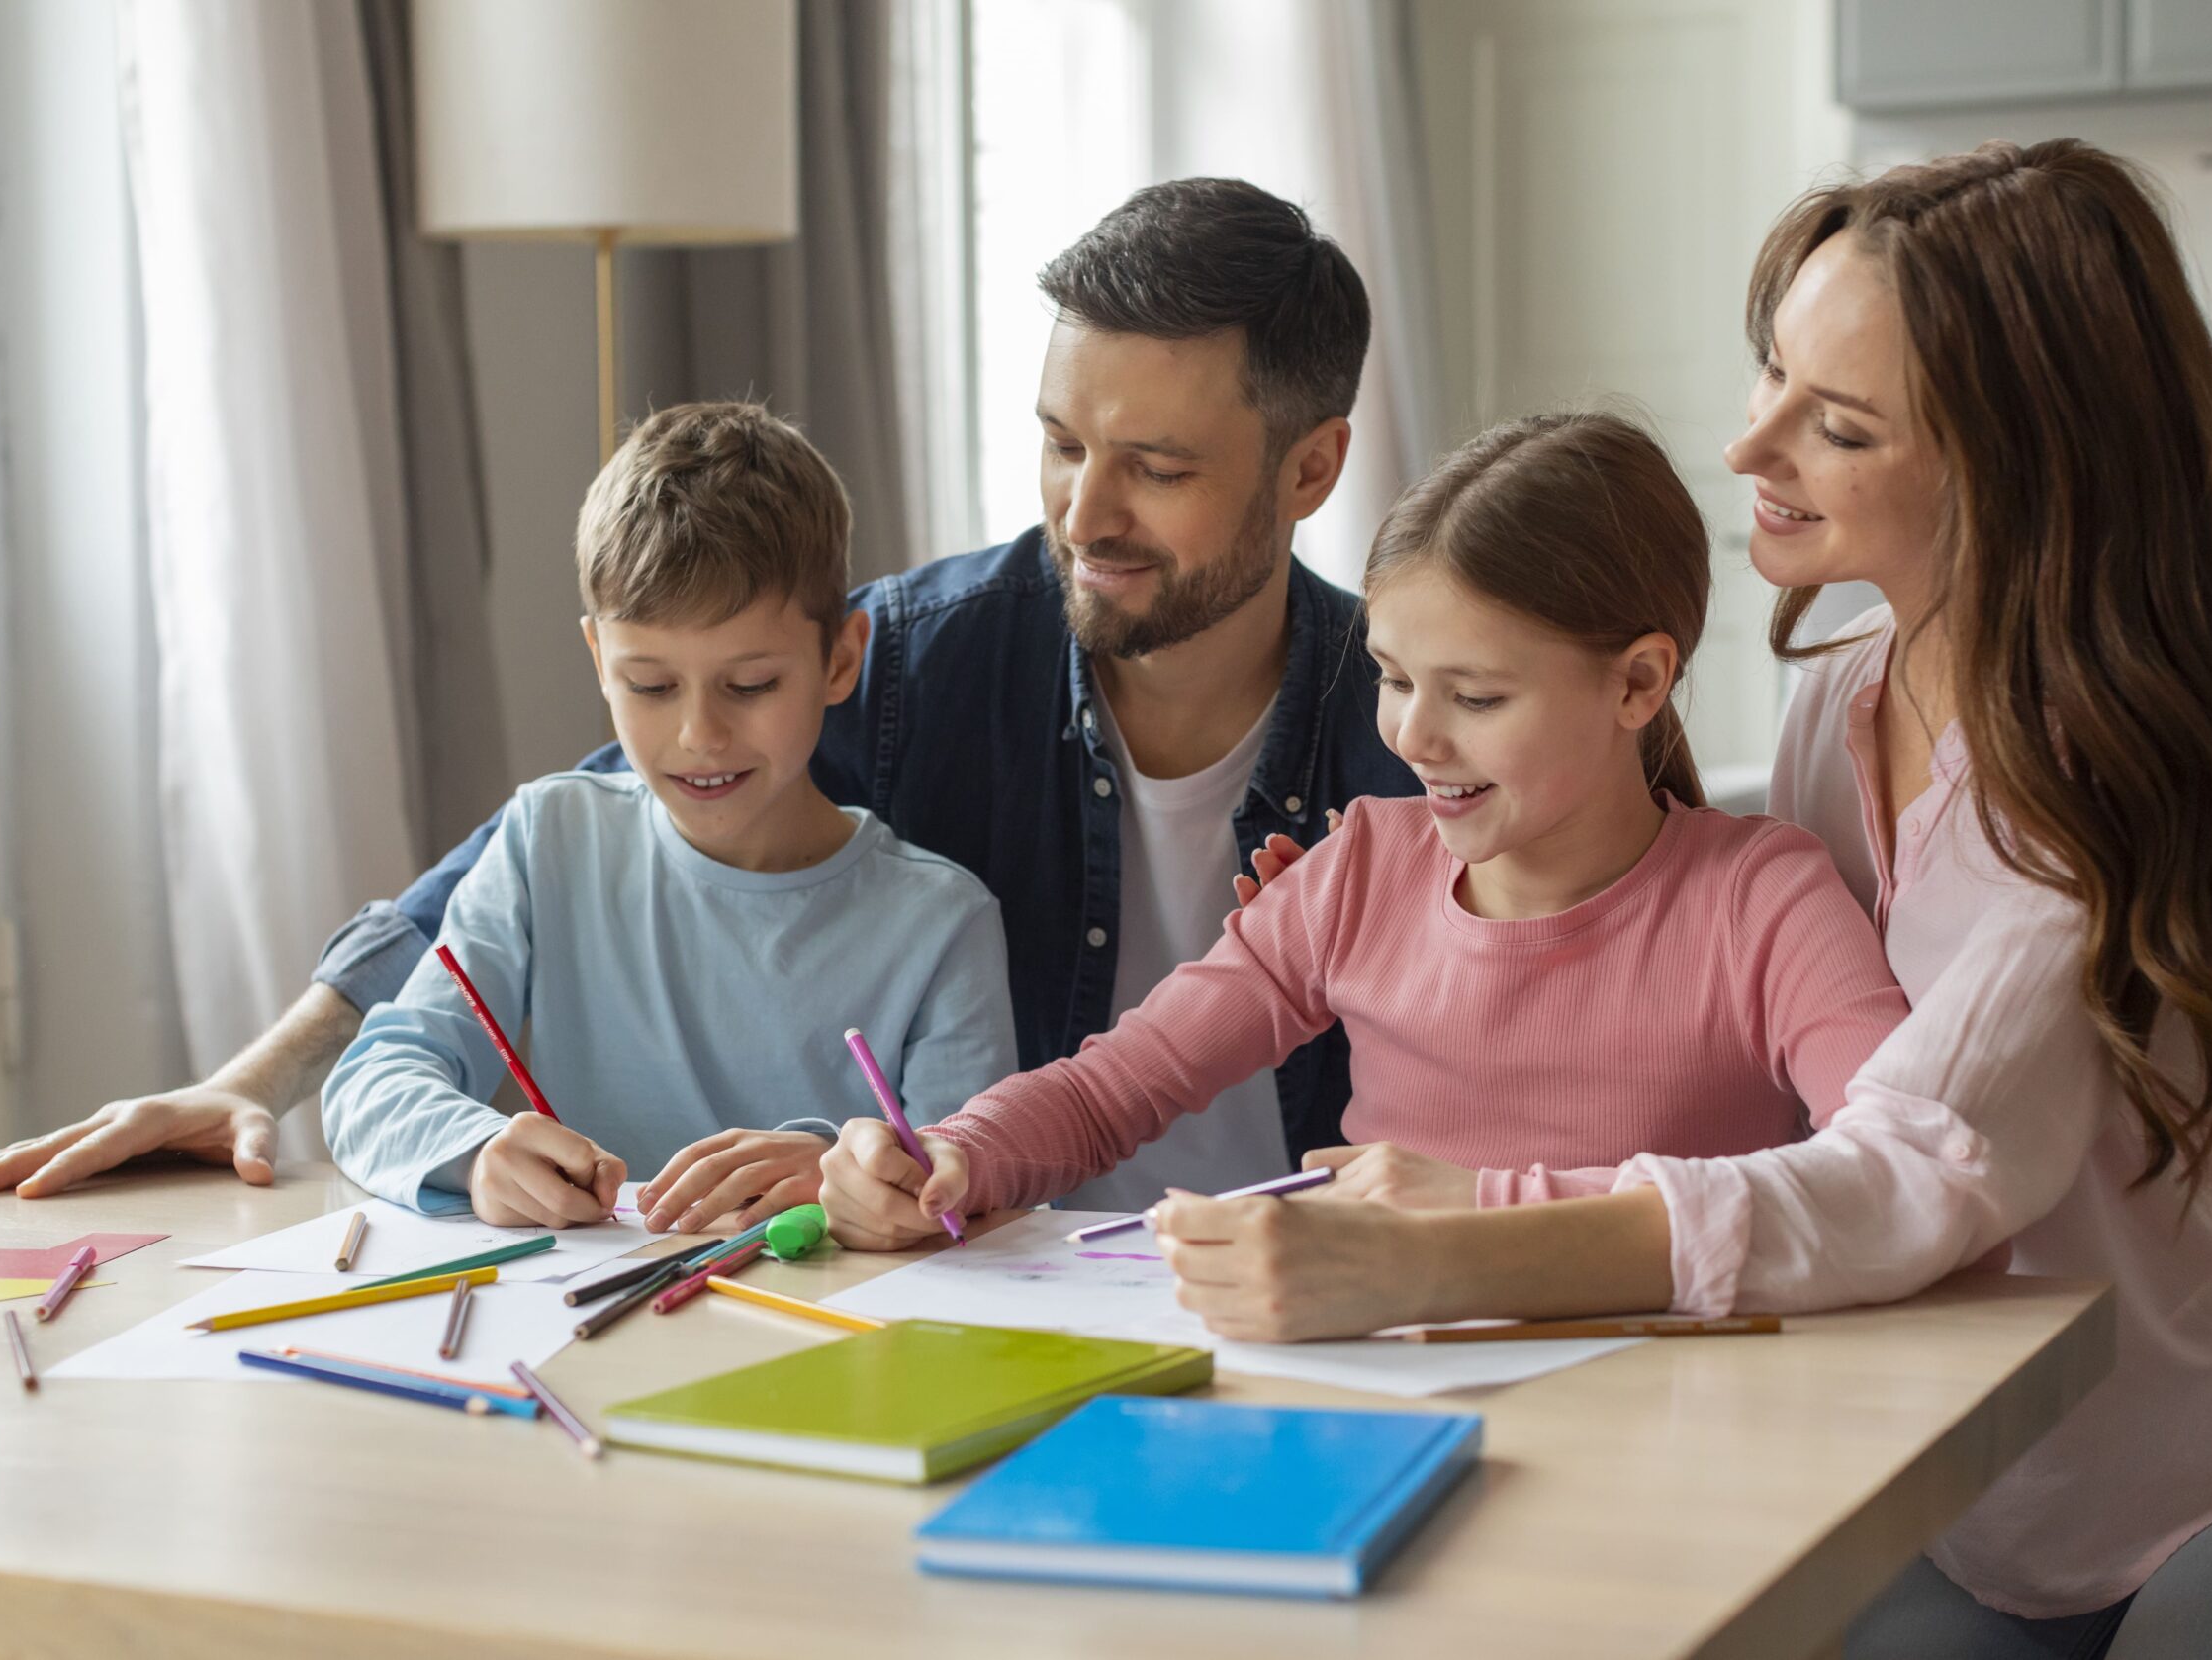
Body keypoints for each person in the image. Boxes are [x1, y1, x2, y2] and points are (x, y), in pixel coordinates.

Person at [1161, 140, 2212, 1656]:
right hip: (2013, 1453)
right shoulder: (1843, 701)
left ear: (2019, 465)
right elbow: (1725, 970)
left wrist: (1454, 1241)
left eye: (1834, 426)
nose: (1749, 446)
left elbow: (1914, 1163)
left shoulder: (2104, 782)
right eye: (1769, 375)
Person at [0, 178, 1417, 1213]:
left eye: (1155, 468)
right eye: (1058, 443)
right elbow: (580, 810)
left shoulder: (1411, 732)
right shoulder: (923, 656)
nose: (1083, 512)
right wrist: (252, 1080)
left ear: (1310, 467)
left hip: (1311, 1295)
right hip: (1001, 1287)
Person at [818, 410, 1910, 1248]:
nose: (1415, 737)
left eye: (1475, 698)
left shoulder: (1764, 899)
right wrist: (951, 1155)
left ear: (1637, 684)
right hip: (1393, 1394)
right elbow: (1118, 1087)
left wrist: (1479, 1207)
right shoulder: (1362, 868)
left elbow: (1886, 1174)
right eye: (1392, 679)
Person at [320, 402, 1014, 1230]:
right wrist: (476, 1151)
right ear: (598, 662)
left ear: (840, 660)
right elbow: (372, 1082)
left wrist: (849, 1183)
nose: (699, 736)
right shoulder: (550, 842)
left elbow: (964, 1190)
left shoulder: (942, 921)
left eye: (751, 685)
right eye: (649, 685)